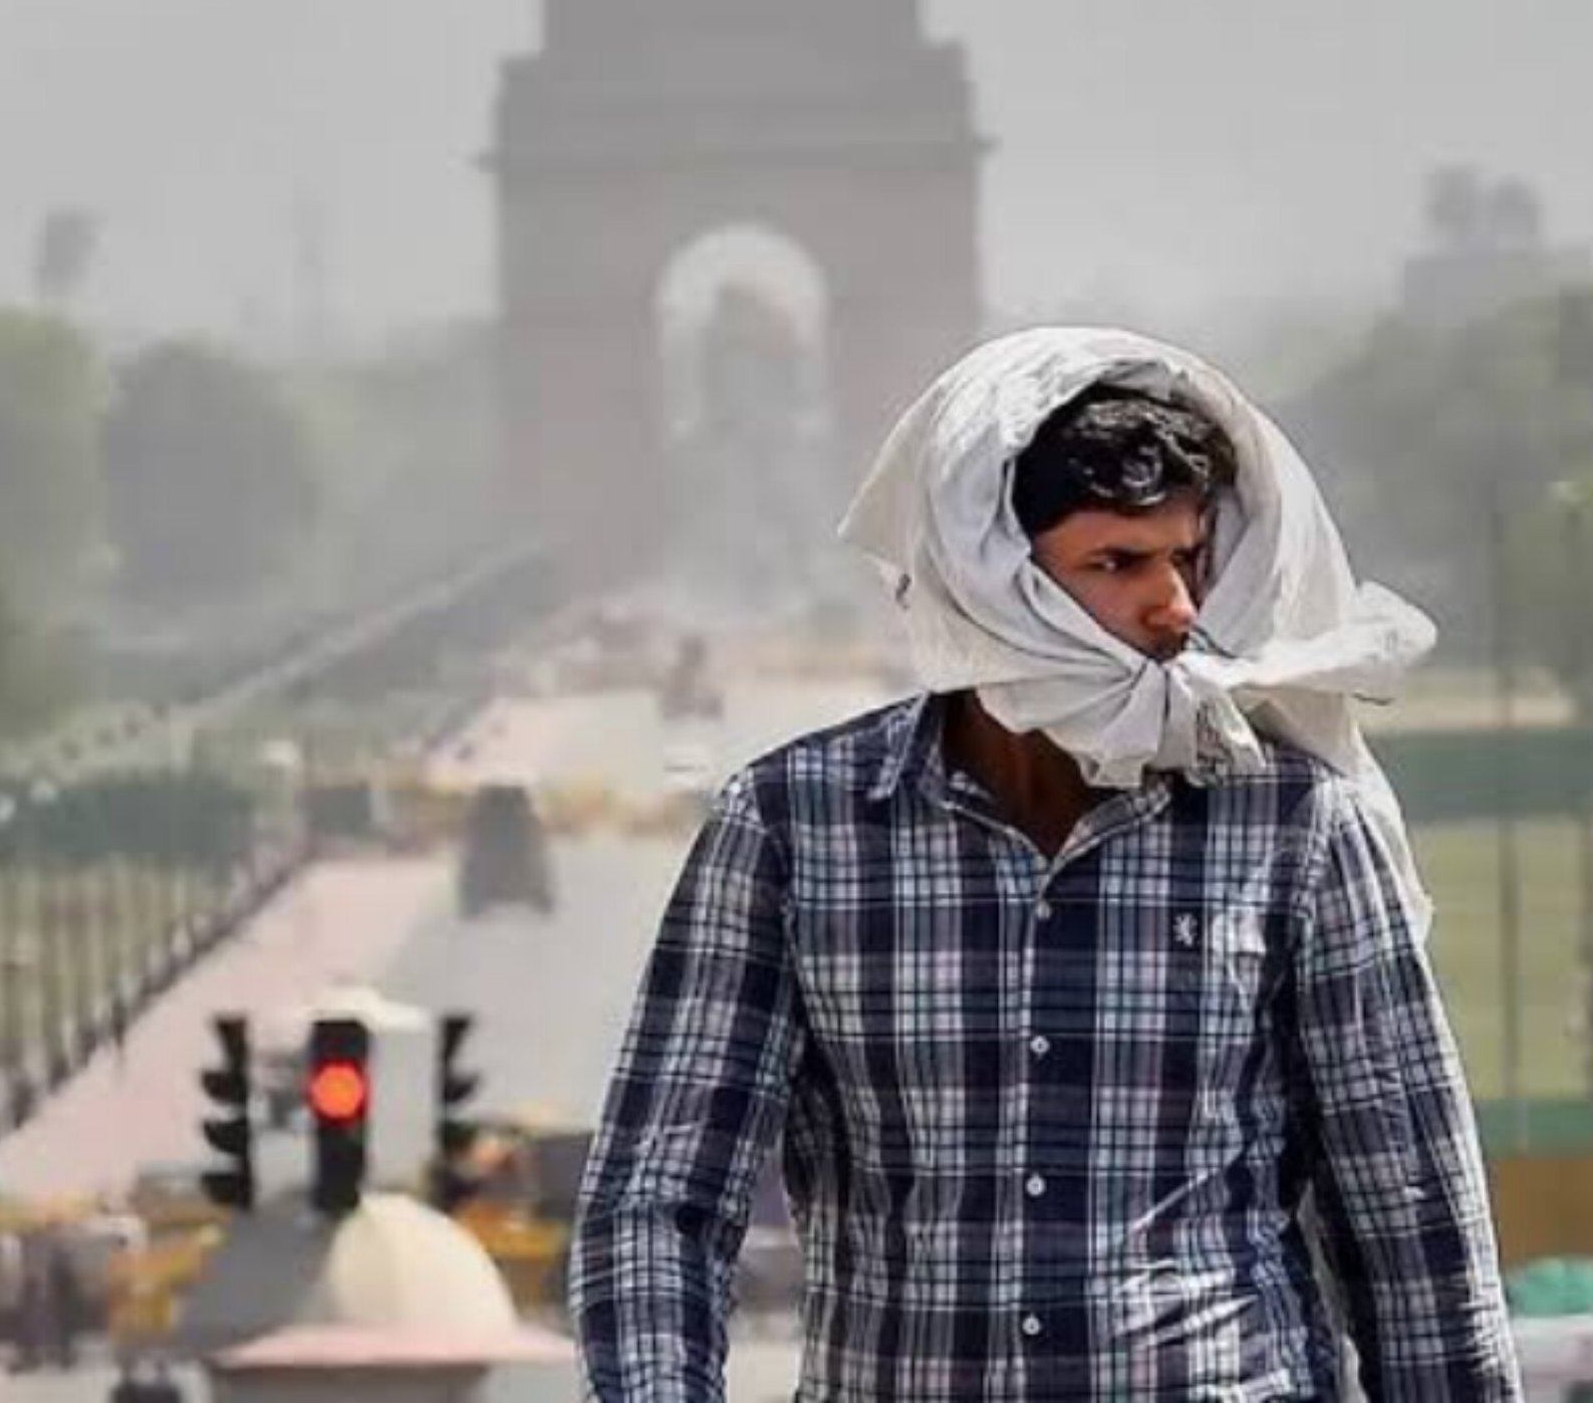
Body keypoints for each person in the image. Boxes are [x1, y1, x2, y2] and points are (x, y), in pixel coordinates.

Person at [570, 327, 1521, 1399]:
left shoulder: (1294, 828)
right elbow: (660, 1203)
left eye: (1187, 559)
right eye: (1115, 564)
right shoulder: (797, 827)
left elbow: (1410, 1220)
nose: (1174, 609)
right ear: (992, 584)